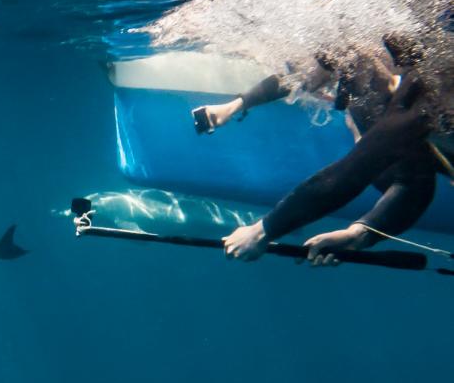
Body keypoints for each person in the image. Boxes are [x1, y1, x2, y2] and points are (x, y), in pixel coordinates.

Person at [191, 44, 446, 263]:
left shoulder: (427, 95)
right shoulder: (361, 64)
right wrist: (236, 105)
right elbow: (300, 76)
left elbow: (361, 171)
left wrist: (263, 231)